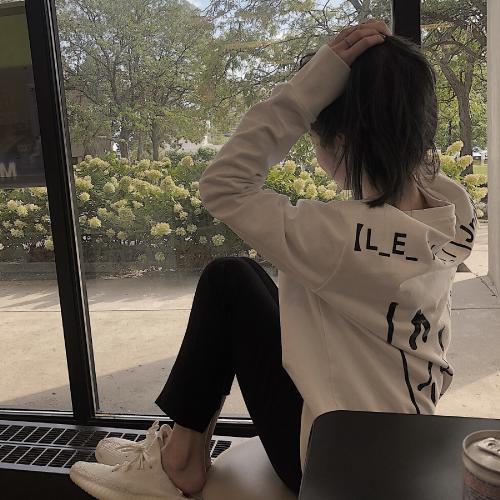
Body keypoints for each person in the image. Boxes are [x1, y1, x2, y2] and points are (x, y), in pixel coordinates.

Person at [69, 18, 478, 500]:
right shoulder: (450, 214)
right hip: (402, 441)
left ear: (342, 142)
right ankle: (181, 446)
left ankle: (179, 460)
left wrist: (307, 90)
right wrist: (390, 86)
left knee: (228, 280)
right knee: (243, 279)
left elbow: (222, 185)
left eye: (315, 132)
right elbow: (408, 157)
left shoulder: (337, 236)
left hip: (333, 460)